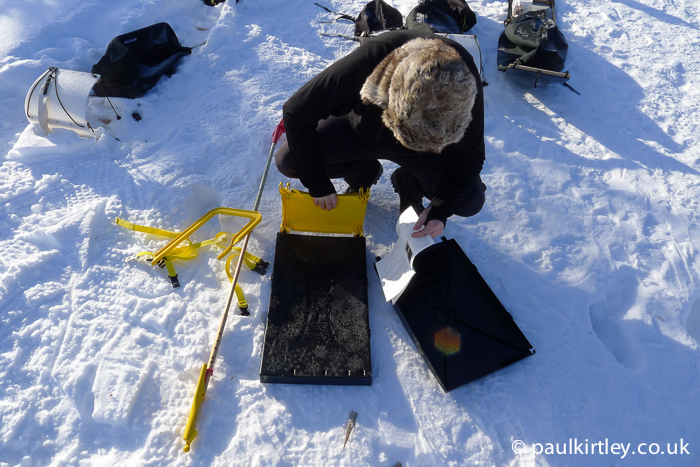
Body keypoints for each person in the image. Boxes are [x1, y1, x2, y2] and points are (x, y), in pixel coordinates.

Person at [275, 28, 486, 238]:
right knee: (289, 161)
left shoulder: (465, 84)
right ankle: (361, 171)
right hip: (363, 129)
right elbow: (296, 111)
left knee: (469, 200)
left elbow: (470, 158)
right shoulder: (375, 56)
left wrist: (441, 209)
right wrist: (318, 183)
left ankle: (411, 181)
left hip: (425, 152)